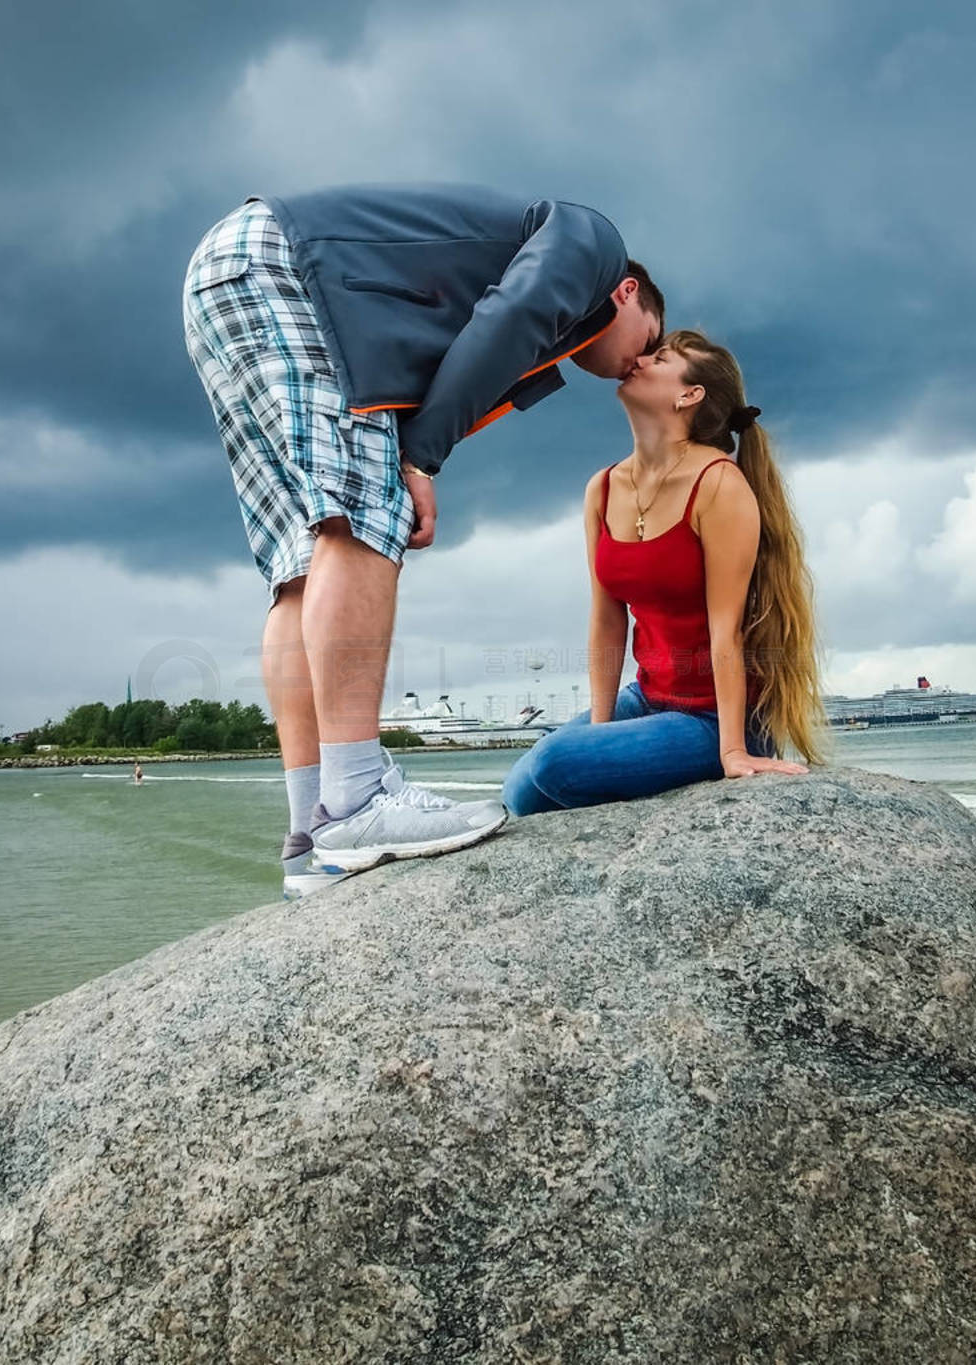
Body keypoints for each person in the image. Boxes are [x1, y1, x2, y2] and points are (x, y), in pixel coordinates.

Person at [182, 185, 665, 897]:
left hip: (229, 278)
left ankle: (310, 835)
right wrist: (417, 461)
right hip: (291, 273)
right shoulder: (594, 245)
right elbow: (511, 318)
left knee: (300, 565)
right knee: (361, 519)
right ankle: (357, 798)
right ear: (627, 294)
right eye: (650, 341)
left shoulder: (562, 291)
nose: (640, 363)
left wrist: (414, 456)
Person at [502, 329, 826, 816]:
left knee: (552, 762)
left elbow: (727, 630)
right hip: (648, 697)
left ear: (688, 395)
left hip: (714, 717)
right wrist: (602, 728)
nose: (640, 358)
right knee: (519, 790)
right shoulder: (604, 487)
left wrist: (733, 751)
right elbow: (607, 619)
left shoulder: (719, 484)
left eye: (662, 357)